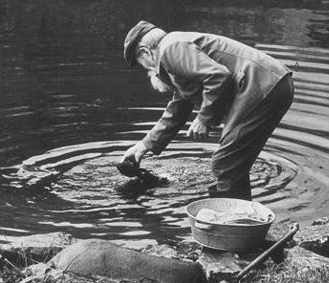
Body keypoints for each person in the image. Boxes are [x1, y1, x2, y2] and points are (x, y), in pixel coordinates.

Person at [120, 20, 293, 201]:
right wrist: (143, 146)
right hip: (272, 84)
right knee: (233, 161)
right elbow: (179, 106)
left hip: (262, 86)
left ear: (145, 52)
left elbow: (218, 76)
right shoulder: (175, 49)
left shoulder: (170, 50)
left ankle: (231, 221)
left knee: (226, 163)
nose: (149, 71)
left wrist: (204, 119)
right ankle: (240, 217)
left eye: (143, 64)